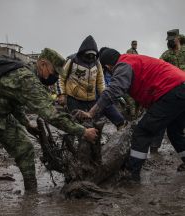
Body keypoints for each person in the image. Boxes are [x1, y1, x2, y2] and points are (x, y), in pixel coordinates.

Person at [0, 48, 98, 201]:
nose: (53, 77)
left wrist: (26, 124)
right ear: (43, 64)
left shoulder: (26, 75)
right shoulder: (26, 78)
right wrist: (82, 131)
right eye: (53, 72)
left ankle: (31, 193)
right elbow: (51, 114)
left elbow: (16, 102)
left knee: (25, 149)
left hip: (3, 114)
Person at [76, 48, 185, 182]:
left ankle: (132, 174)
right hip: (180, 88)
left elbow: (114, 89)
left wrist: (91, 112)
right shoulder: (132, 60)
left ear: (108, 66)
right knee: (175, 132)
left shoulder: (122, 65)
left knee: (142, 132)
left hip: (172, 91)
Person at [57, 36, 125, 129]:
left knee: (95, 121)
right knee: (77, 123)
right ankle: (73, 140)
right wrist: (62, 94)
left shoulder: (97, 63)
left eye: (93, 55)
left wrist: (103, 97)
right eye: (88, 54)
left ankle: (120, 125)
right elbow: (61, 77)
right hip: (74, 98)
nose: (90, 57)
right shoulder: (72, 60)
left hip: (91, 98)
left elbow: (100, 82)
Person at [150, 29, 185, 154]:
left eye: (172, 40)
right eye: (168, 40)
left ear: (177, 38)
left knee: (179, 124)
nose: (170, 42)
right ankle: (154, 148)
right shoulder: (166, 55)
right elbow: (157, 69)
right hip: (172, 92)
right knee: (162, 118)